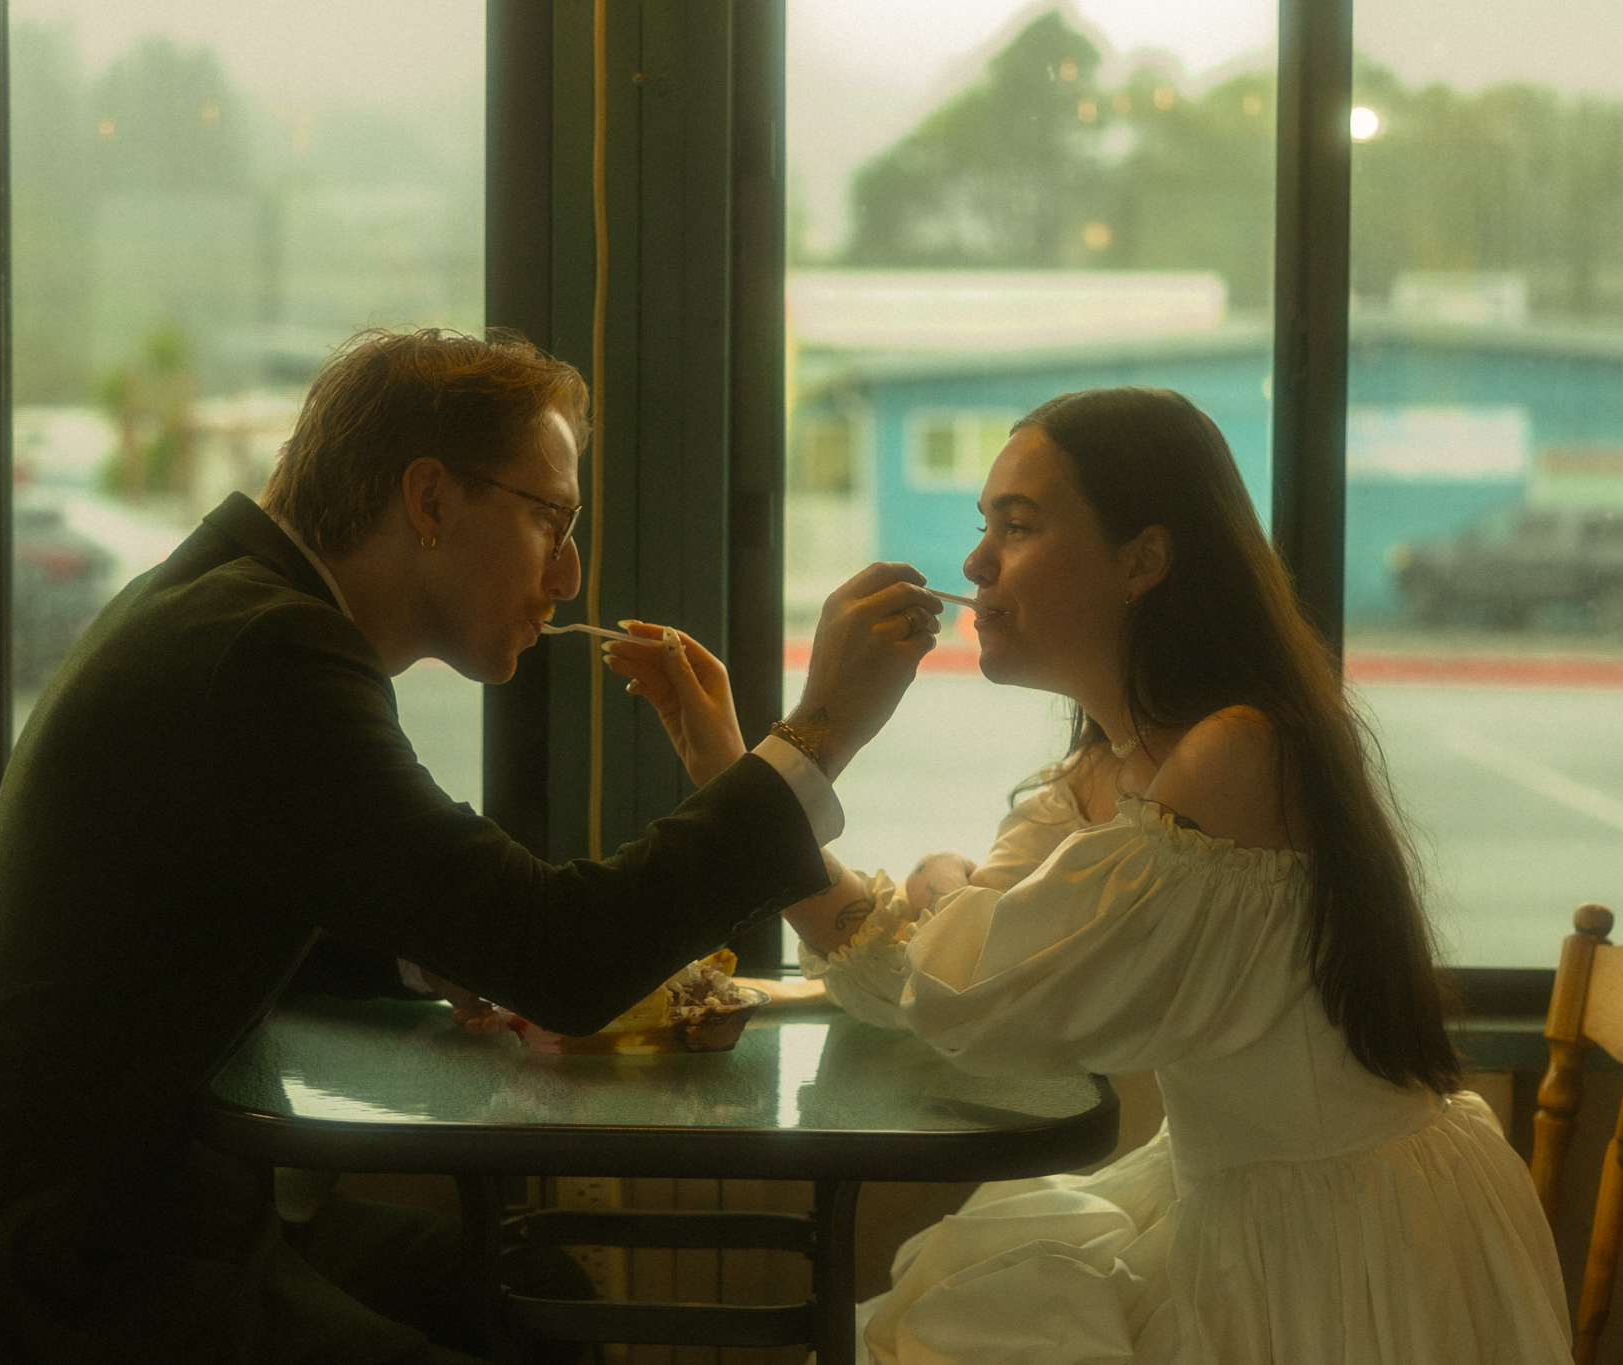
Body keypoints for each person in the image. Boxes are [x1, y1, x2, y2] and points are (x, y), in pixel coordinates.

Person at [0, 327, 942, 1365]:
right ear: (427, 498)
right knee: (530, 1311)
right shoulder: (268, 654)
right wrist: (816, 736)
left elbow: (226, 903)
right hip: (60, 1293)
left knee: (542, 1292)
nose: (568, 578)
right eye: (550, 521)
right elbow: (564, 958)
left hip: (151, 1221)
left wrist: (425, 952)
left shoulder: (226, 603)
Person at [604, 386, 1572, 1364]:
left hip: (1345, 1242)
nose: (974, 563)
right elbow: (924, 978)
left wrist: (916, 850)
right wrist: (732, 771)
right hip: (1232, 1208)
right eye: (983, 528)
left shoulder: (1236, 754)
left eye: (1016, 527)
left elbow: (980, 997)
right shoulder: (1095, 776)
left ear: (1141, 558)